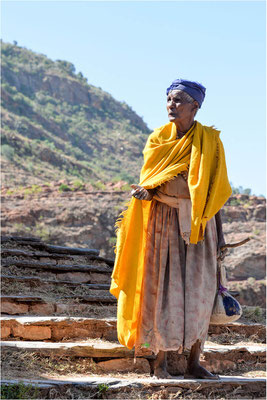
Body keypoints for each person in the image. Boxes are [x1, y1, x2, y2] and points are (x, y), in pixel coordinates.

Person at [110, 78, 232, 380]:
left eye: (178, 100)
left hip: (200, 225)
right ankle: (160, 362)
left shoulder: (210, 141)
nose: (171, 106)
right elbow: (151, 181)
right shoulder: (157, 140)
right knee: (162, 290)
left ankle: (194, 362)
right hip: (163, 222)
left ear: (195, 106)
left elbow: (215, 192)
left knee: (201, 293)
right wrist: (147, 193)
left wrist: (222, 238)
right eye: (169, 100)